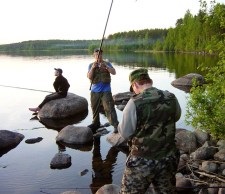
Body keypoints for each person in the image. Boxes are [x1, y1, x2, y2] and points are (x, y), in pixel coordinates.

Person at [118, 68, 181, 194]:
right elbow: (177, 116)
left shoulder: (134, 102)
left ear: (135, 84)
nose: (134, 92)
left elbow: (125, 133)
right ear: (150, 81)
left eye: (133, 88)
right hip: (168, 159)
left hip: (142, 161)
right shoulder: (171, 97)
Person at [87, 48, 119, 133]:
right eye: (97, 54)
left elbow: (114, 72)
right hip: (94, 91)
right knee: (94, 108)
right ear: (94, 55)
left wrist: (107, 67)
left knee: (109, 108)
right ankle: (96, 123)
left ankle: (115, 125)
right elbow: (89, 77)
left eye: (100, 54)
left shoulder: (107, 63)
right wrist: (93, 68)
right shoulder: (91, 65)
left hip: (106, 90)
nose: (99, 56)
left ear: (102, 55)